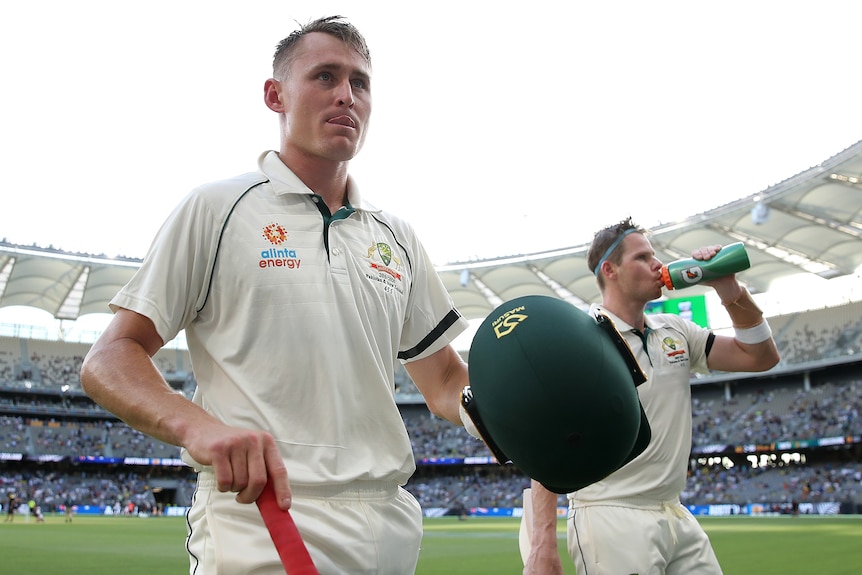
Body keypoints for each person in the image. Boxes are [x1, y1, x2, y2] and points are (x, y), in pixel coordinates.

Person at [80, 15, 470, 575]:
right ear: (275, 95)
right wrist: (199, 425)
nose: (346, 95)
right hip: (264, 518)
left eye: (360, 83)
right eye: (325, 77)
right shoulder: (217, 208)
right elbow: (109, 357)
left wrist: (529, 413)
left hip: (390, 524)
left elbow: (448, 384)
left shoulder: (395, 236)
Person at [522, 217, 780, 575]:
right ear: (610, 270)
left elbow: (761, 356)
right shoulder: (578, 341)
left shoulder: (674, 330)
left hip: (674, 510)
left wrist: (728, 288)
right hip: (610, 513)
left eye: (654, 255)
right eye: (642, 258)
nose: (658, 265)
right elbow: (544, 445)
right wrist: (542, 544)